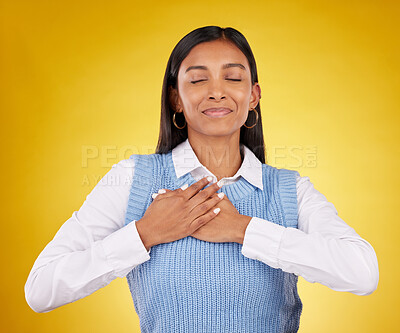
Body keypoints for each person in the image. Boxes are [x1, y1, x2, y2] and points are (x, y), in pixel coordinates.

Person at [24, 26, 379, 332]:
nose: (217, 91)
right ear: (176, 98)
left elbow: (362, 273)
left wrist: (243, 229)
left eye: (234, 78)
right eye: (197, 79)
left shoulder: (290, 191)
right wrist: (147, 234)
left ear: (253, 96)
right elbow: (41, 289)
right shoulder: (134, 179)